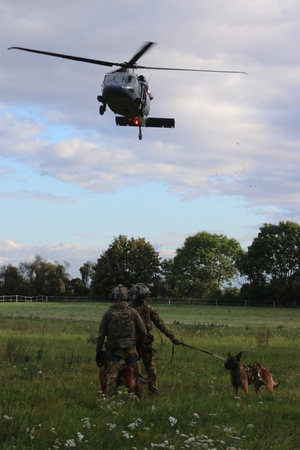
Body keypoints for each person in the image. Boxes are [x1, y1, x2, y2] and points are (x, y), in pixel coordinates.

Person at [129, 283, 181, 394]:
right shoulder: (127, 310)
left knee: (152, 371)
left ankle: (153, 393)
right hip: (132, 346)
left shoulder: (148, 309)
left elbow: (160, 323)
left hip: (146, 345)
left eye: (145, 298)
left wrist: (172, 337)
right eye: (141, 298)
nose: (143, 301)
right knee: (135, 372)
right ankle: (137, 395)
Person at [96, 284, 147, 397]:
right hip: (131, 350)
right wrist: (139, 347)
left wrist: (98, 352)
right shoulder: (133, 312)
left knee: (111, 377)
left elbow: (100, 335)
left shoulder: (108, 314)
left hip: (113, 352)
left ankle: (110, 399)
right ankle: (139, 397)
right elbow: (143, 332)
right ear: (127, 297)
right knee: (136, 375)